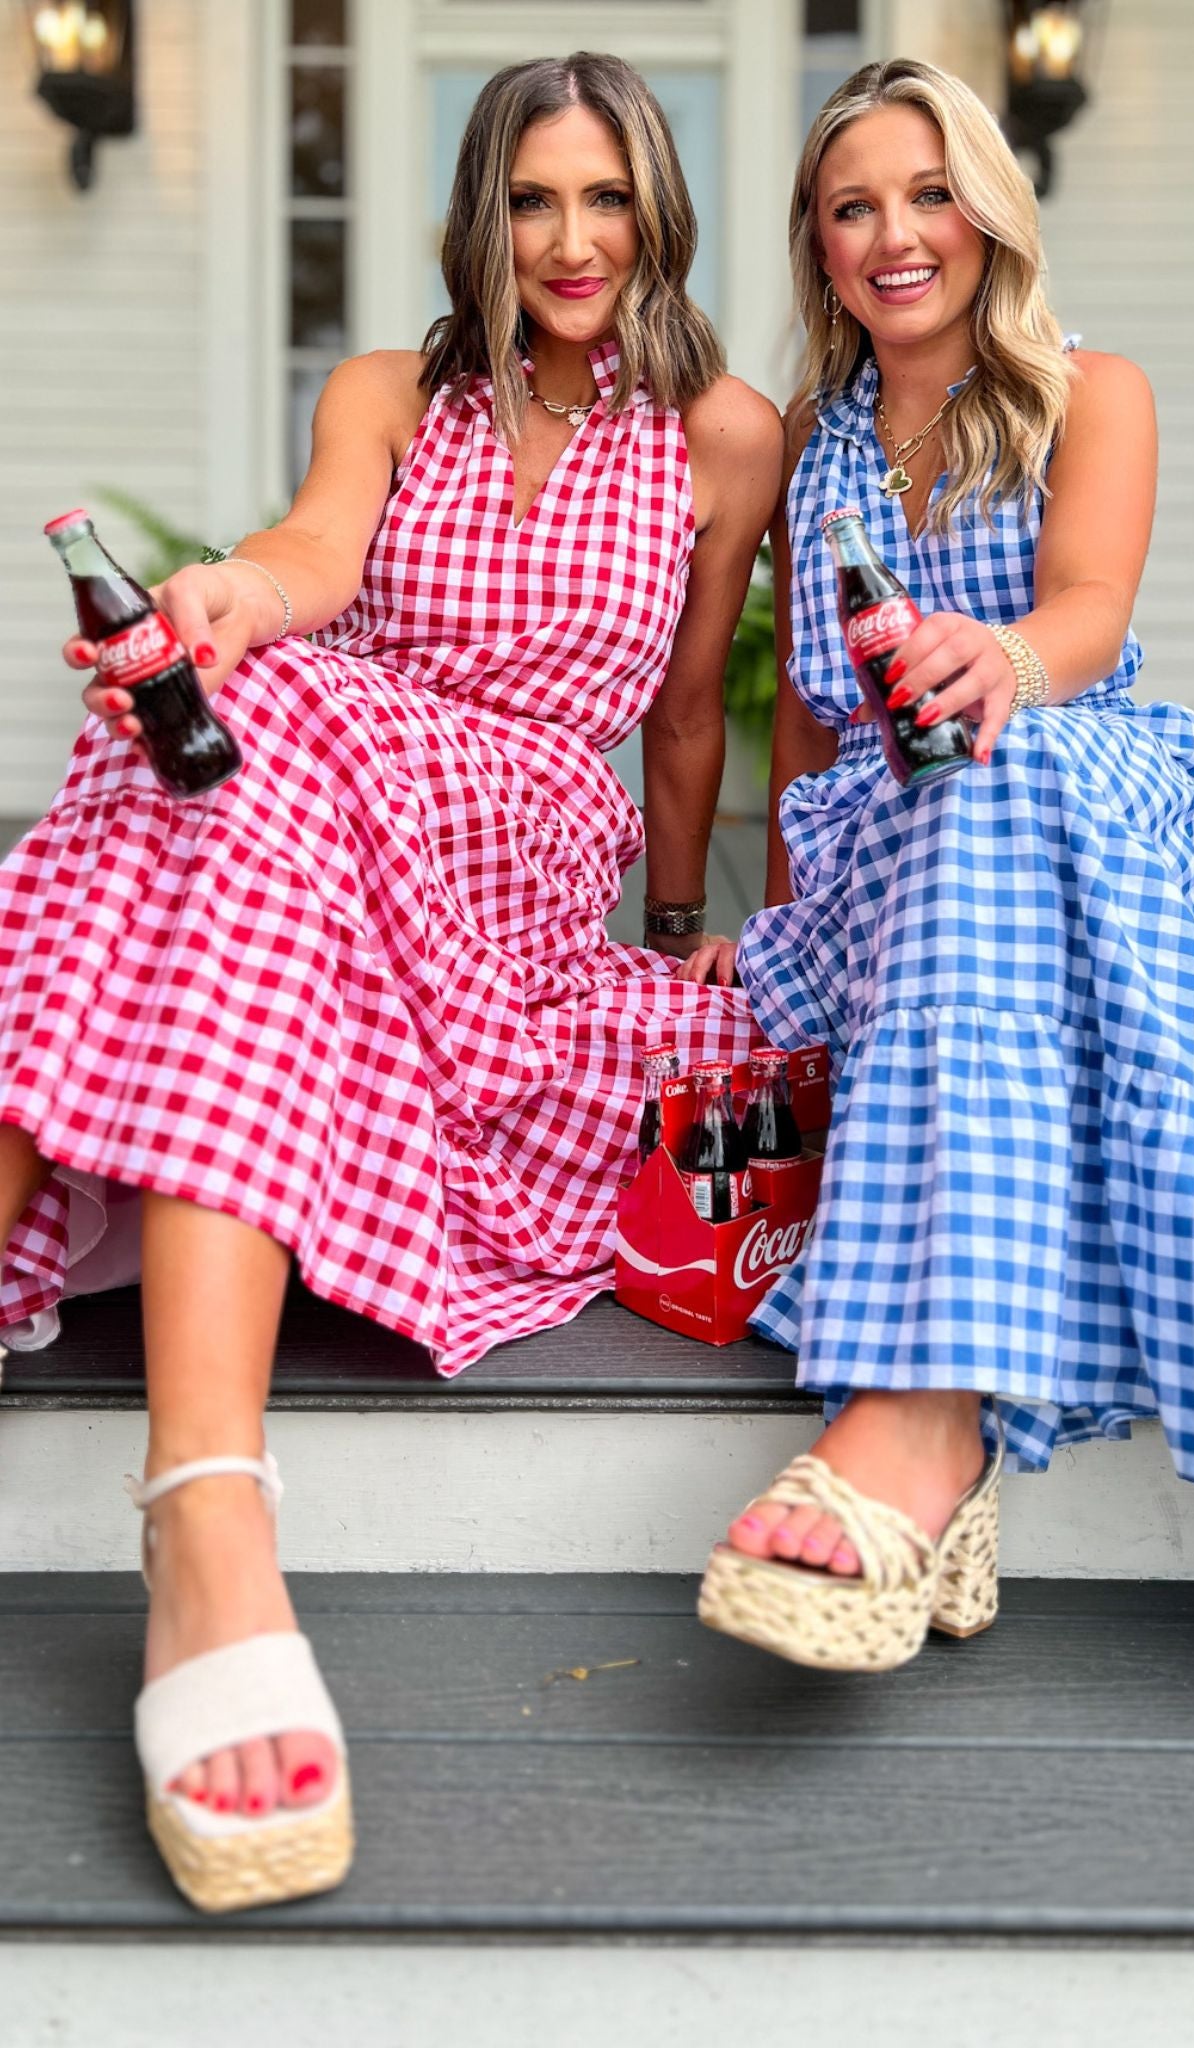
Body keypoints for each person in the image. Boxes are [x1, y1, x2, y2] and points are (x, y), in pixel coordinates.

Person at [0, 52, 780, 1908]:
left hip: (519, 841)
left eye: (605, 199)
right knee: (225, 734)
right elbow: (308, 559)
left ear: (655, 210)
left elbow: (682, 715)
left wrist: (672, 934)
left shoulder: (725, 432)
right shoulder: (387, 393)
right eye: (533, 199)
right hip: (337, 795)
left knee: (228, 755)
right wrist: (223, 604)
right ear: (481, 214)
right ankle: (209, 1514)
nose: (571, 239)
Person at [698, 58, 1194, 1673]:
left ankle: (922, 1412)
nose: (895, 233)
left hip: (1080, 765)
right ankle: (946, 1443)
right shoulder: (811, 444)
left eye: (930, 193)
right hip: (890, 836)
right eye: (854, 206)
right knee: (937, 787)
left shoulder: (1092, 389)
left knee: (989, 762)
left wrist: (993, 661)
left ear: (991, 216)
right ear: (820, 245)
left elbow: (1086, 610)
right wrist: (777, 918)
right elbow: (802, 715)